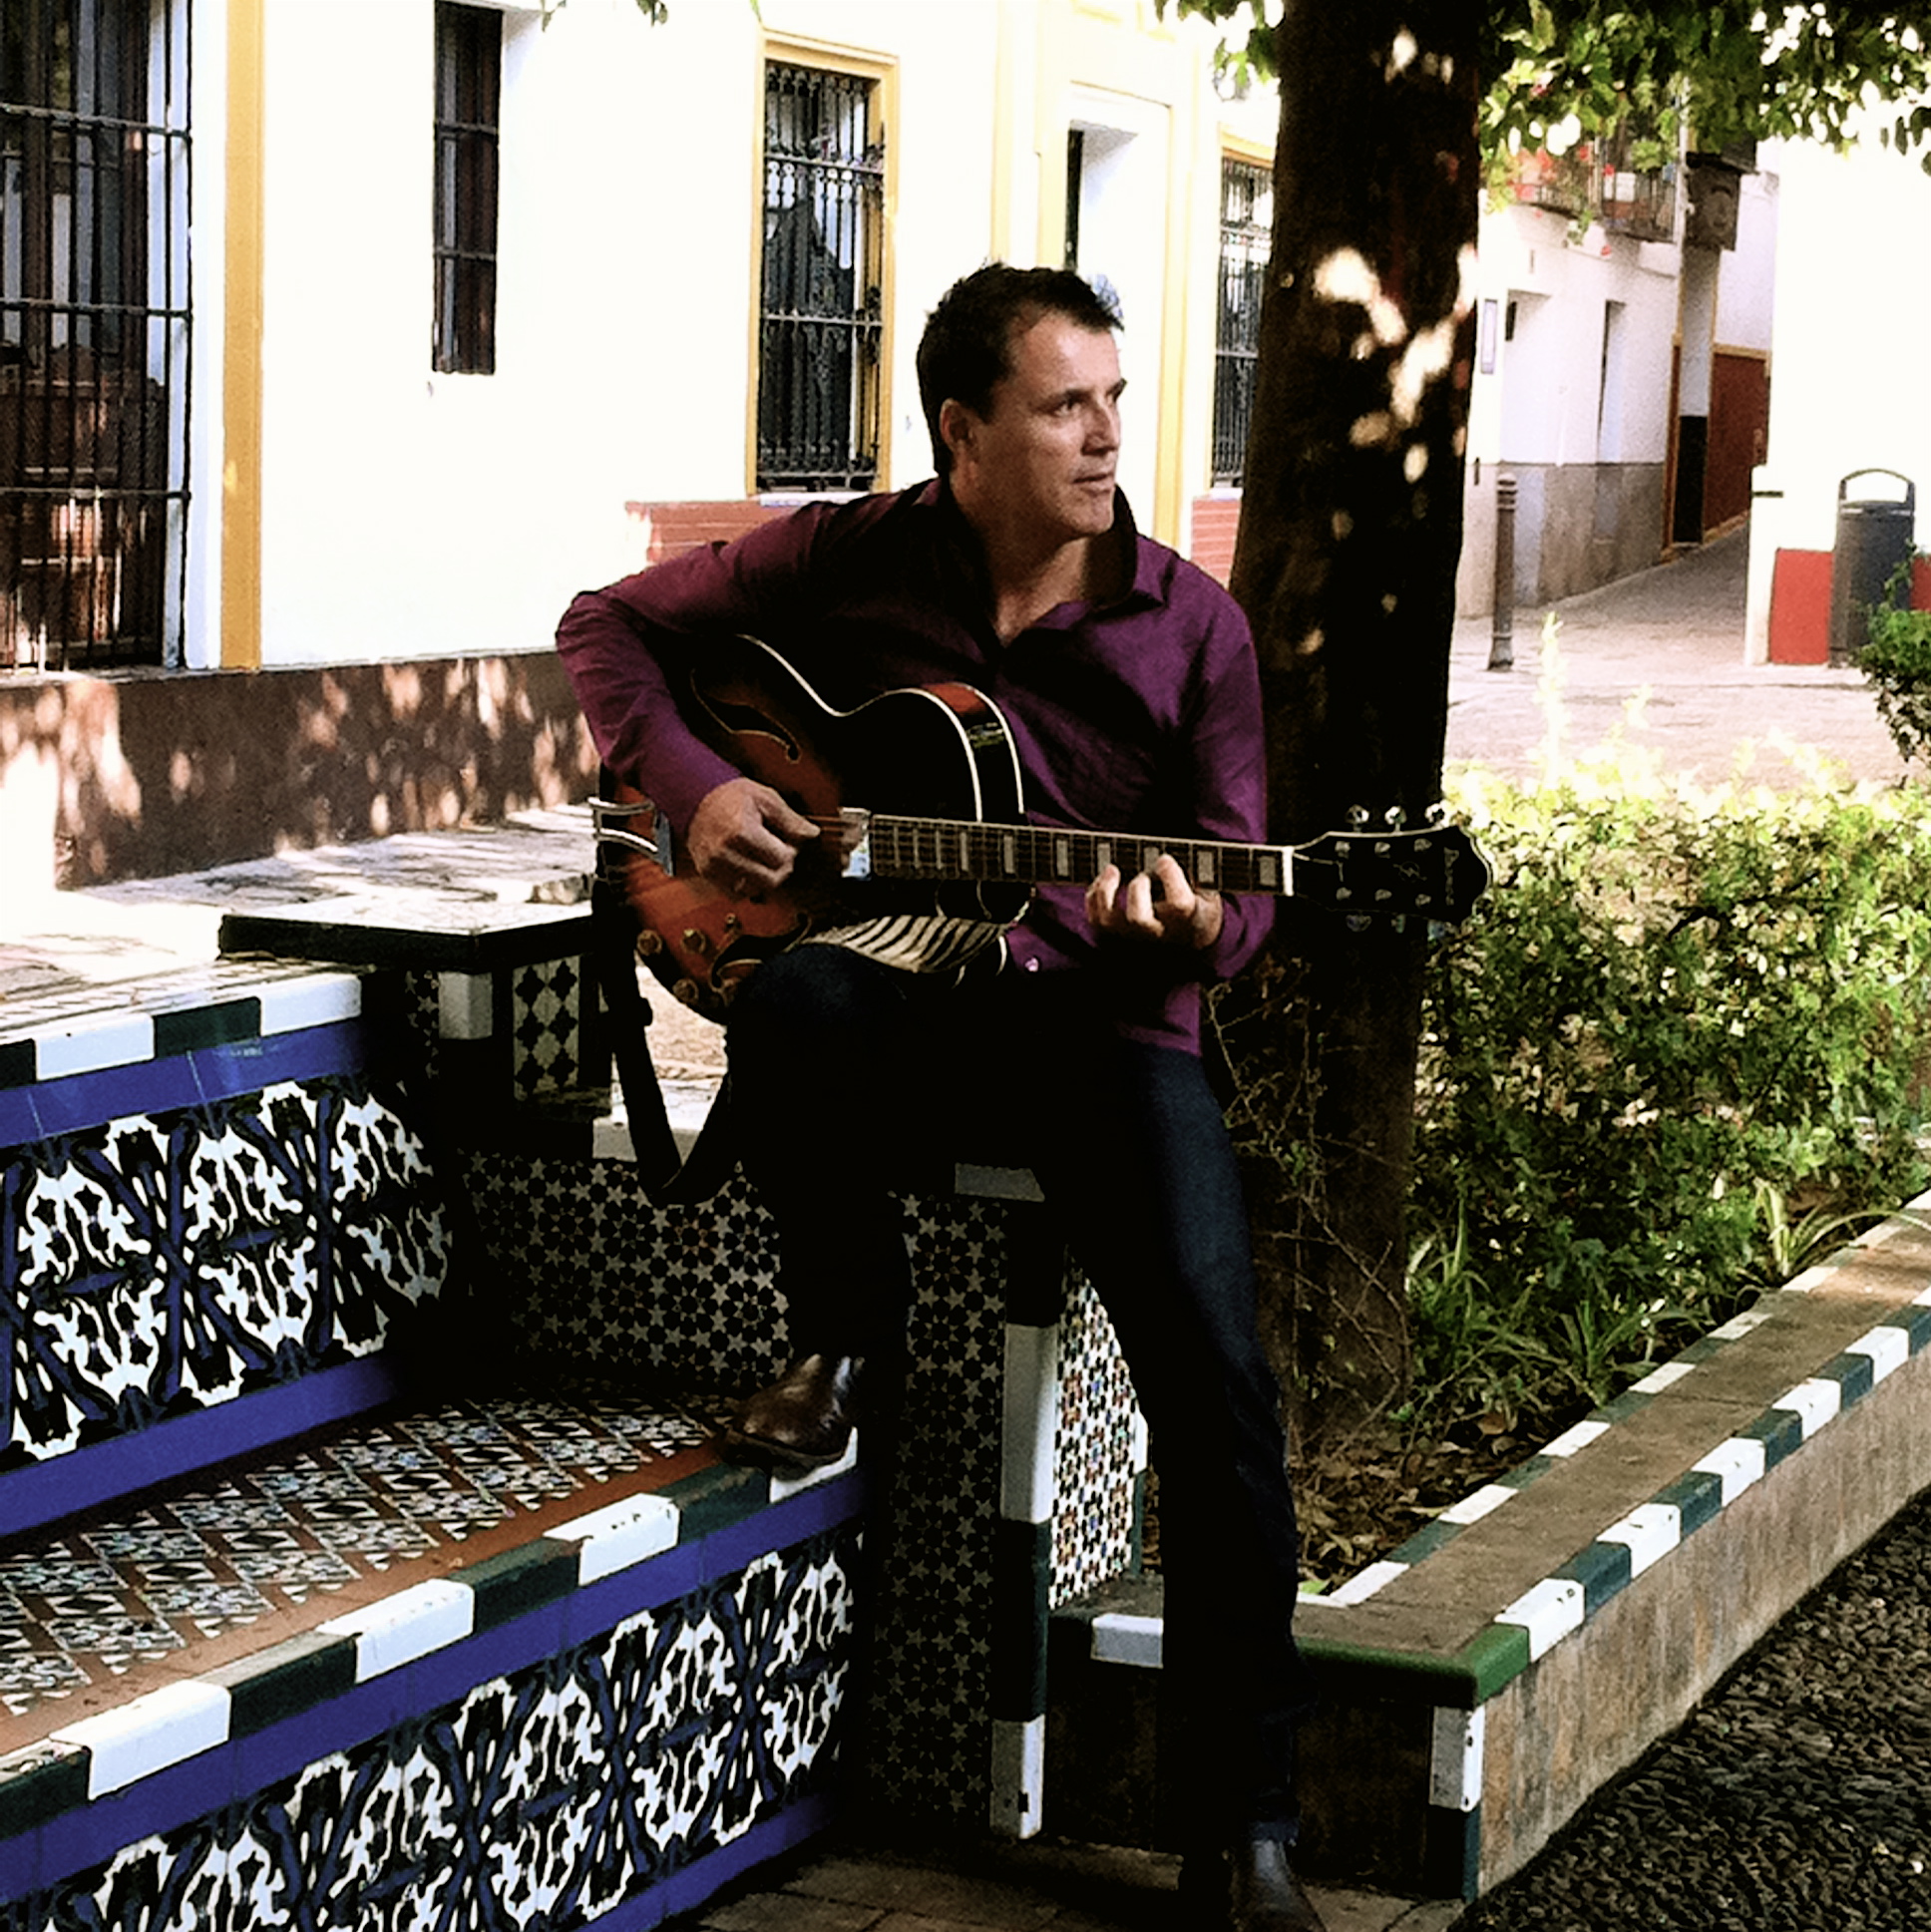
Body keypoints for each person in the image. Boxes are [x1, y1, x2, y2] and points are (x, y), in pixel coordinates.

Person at [556, 264, 1323, 1932]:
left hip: (1110, 1034)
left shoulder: (1191, 626)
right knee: (800, 996)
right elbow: (603, 623)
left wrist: (1199, 925)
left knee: (1219, 1385)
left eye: (1113, 399)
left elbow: (1242, 889)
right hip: (909, 1002)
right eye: (1064, 406)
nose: (1107, 435)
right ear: (963, 433)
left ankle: (1245, 1828)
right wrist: (698, 787)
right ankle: (841, 1337)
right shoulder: (854, 553)